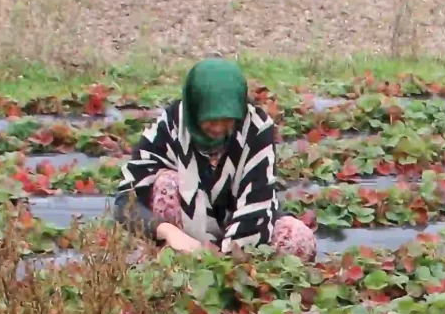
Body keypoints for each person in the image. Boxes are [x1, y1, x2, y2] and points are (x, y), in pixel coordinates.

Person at [116, 59, 319, 260]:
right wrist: (169, 232)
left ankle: (219, 270)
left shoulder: (255, 129)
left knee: (298, 238)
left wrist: (225, 264)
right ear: (195, 110)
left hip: (249, 232)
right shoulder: (170, 126)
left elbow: (257, 205)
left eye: (227, 120)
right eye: (210, 120)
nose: (218, 128)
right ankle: (175, 262)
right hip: (185, 233)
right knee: (165, 185)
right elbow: (126, 202)